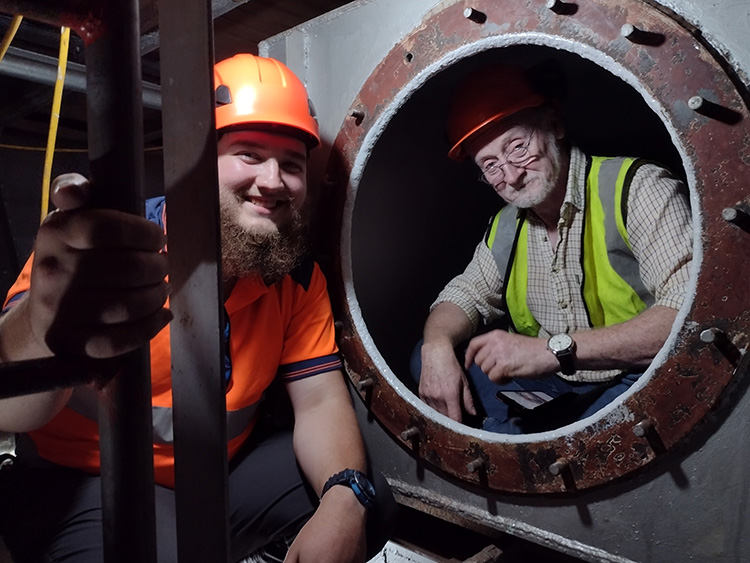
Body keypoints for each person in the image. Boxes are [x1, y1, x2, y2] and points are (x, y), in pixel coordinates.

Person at [0, 53, 396, 563]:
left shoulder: (294, 277)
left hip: (212, 478)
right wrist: (42, 325)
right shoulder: (112, 253)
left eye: (291, 164)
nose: (273, 180)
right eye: (248, 154)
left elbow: (318, 400)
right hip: (84, 483)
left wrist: (344, 499)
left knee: (369, 500)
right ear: (193, 158)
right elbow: (10, 408)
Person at [411, 62, 693, 434]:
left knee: (581, 440)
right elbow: (465, 295)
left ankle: (528, 439)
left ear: (554, 125)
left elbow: (688, 315)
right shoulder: (506, 225)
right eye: (491, 165)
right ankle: (524, 436)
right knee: (427, 358)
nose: (511, 175)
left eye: (517, 147)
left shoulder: (637, 187)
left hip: (635, 374)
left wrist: (551, 351)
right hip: (553, 383)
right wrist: (435, 345)